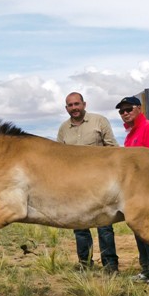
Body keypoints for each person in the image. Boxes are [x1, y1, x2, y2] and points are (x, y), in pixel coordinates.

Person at [57, 92, 120, 273]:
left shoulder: (99, 121)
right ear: (66, 108)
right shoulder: (63, 129)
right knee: (80, 226)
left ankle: (110, 265)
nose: (74, 108)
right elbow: (59, 157)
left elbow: (113, 149)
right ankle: (85, 263)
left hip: (100, 182)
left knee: (104, 225)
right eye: (70, 105)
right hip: (75, 185)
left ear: (84, 104)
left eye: (77, 104)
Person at [116, 96, 149, 288]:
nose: (125, 113)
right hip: (134, 190)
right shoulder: (130, 134)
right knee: (139, 230)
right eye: (121, 111)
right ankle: (146, 269)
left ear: (139, 108)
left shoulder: (148, 127)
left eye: (128, 109)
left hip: (147, 188)